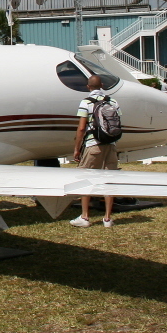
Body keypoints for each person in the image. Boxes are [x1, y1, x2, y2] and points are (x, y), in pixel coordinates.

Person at [70, 75, 119, 228]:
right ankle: (107, 218)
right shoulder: (113, 101)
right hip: (110, 145)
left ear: (88, 86)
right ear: (102, 85)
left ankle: (85, 217)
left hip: (93, 145)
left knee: (86, 179)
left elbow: (82, 128)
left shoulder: (86, 102)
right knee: (109, 179)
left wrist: (77, 149)